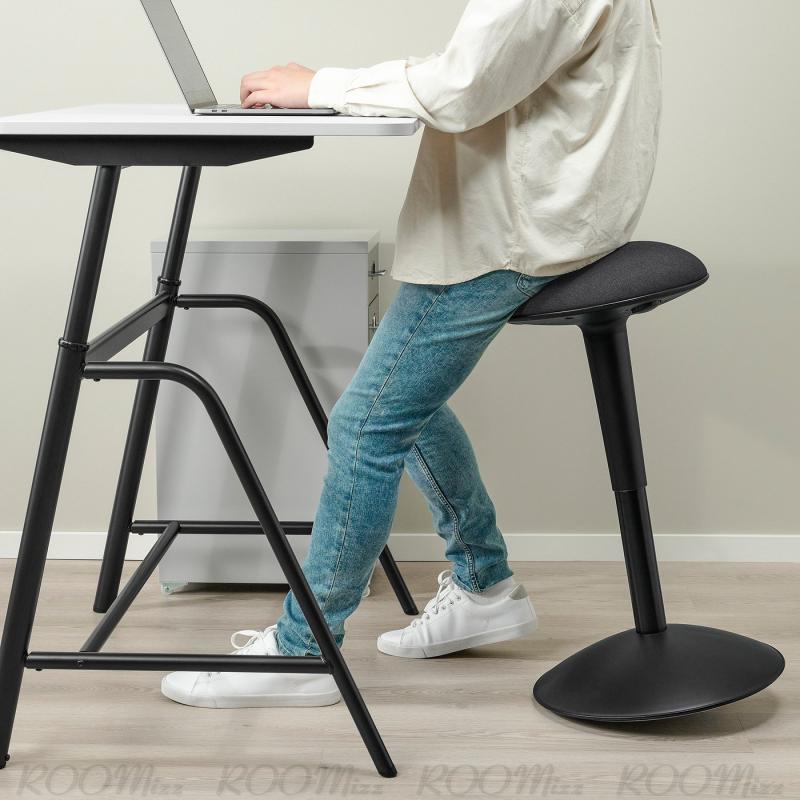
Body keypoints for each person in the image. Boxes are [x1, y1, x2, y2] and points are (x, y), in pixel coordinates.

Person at [161, 0, 662, 708]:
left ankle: (306, 652)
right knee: (400, 401)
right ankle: (484, 584)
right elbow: (487, 69)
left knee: (366, 423)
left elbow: (459, 89)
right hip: (557, 213)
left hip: (514, 229)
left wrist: (321, 85)